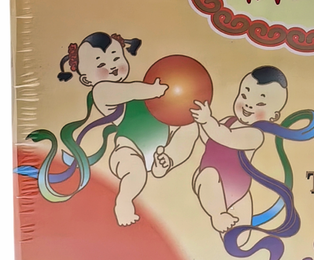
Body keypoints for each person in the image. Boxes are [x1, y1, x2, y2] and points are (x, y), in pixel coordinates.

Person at [27, 32, 169, 225]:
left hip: (159, 143)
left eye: (116, 58)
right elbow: (130, 91)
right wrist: (153, 90)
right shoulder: (102, 91)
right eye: (101, 64)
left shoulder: (137, 89)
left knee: (182, 141)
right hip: (129, 146)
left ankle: (162, 165)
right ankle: (124, 202)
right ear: (86, 80)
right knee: (135, 170)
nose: (112, 66)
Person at [153, 66, 288, 242]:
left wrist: (207, 121)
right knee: (206, 168)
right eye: (244, 96)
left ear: (273, 116)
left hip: (239, 191)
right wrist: (200, 123)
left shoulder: (255, 135)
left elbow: (226, 137)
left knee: (240, 239)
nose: (248, 104)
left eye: (260, 104)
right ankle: (168, 161)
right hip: (209, 179)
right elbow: (210, 139)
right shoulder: (227, 122)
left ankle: (233, 235)